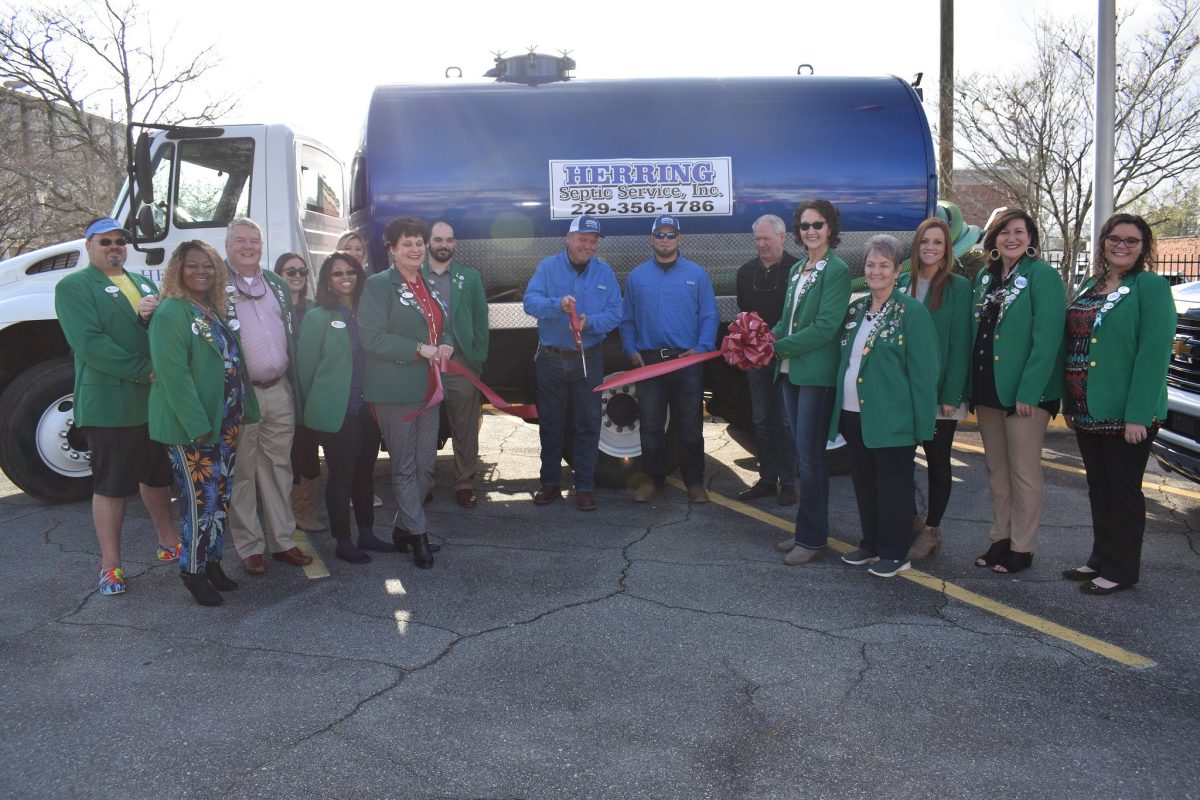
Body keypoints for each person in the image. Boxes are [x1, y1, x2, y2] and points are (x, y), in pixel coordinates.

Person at [53, 217, 181, 596]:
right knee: (111, 486)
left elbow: (152, 333)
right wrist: (146, 371)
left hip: (151, 403)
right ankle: (110, 566)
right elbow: (90, 344)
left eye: (120, 242)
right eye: (105, 241)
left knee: (156, 477)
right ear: (89, 247)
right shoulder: (74, 286)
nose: (114, 247)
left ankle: (169, 543)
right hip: (111, 403)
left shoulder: (143, 283)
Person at [1061, 214, 1174, 595]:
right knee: (1099, 487)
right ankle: (1100, 558)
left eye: (1131, 240)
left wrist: (1138, 415)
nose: (1121, 245)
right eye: (1114, 238)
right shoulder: (1092, 283)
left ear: (1144, 247)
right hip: (1086, 406)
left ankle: (1121, 569)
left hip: (1126, 411)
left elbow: (1154, 354)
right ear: (1104, 242)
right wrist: (1070, 405)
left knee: (1123, 490)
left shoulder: (1151, 287)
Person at [148, 240, 259, 605]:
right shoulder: (170, 313)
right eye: (193, 265)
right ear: (178, 269)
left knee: (219, 499)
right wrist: (198, 425)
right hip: (193, 427)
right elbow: (173, 376)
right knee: (200, 502)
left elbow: (232, 363)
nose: (202, 271)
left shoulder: (209, 308)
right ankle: (192, 571)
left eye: (208, 265)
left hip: (224, 423)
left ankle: (212, 562)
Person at [832, 235, 939, 577]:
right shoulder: (856, 308)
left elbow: (925, 374)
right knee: (864, 481)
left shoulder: (912, 312)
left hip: (893, 417)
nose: (876, 271)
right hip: (853, 414)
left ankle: (896, 551)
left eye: (884, 265)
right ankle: (872, 543)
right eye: (870, 265)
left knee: (894, 485)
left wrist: (923, 426)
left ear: (897, 271)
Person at [970, 209, 1066, 575]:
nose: (1012, 238)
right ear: (993, 238)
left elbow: (1047, 340)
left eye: (1019, 232)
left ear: (1031, 238)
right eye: (1004, 232)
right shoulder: (985, 278)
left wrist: (1030, 390)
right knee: (996, 469)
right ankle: (1000, 538)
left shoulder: (1042, 276)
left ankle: (1022, 547)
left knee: (1024, 472)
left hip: (1026, 393)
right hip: (988, 386)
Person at [224, 218, 313, 575]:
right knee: (243, 472)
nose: (249, 246)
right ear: (228, 245)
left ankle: (283, 540)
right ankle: (250, 547)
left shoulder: (274, 282)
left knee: (279, 468)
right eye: (241, 240)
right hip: (242, 395)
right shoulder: (217, 285)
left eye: (255, 240)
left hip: (279, 390)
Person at [359, 216, 449, 568]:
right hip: (395, 390)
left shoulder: (428, 284)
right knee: (405, 466)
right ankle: (420, 536)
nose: (415, 248)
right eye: (407, 243)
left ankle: (404, 528)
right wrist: (418, 348)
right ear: (392, 250)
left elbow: (444, 327)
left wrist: (446, 346)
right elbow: (372, 337)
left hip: (429, 388)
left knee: (427, 464)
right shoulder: (379, 285)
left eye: (419, 242)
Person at [297, 253, 393, 565]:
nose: (345, 277)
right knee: (341, 475)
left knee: (365, 474)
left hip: (368, 408)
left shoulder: (368, 312)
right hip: (335, 410)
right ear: (328, 280)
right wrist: (308, 415)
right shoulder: (317, 317)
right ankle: (343, 540)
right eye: (337, 273)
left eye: (350, 271)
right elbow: (305, 370)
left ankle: (367, 533)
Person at [522, 215, 623, 511]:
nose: (587, 246)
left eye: (593, 242)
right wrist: (558, 305)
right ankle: (550, 483)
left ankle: (585, 486)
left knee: (589, 423)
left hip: (588, 358)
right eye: (582, 240)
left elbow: (616, 313)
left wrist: (590, 322)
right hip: (551, 358)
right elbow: (530, 302)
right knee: (551, 423)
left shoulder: (604, 273)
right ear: (568, 238)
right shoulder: (548, 267)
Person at [770, 200, 852, 565]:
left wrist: (777, 346)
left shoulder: (837, 270)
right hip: (790, 372)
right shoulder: (799, 268)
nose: (811, 231)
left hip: (815, 375)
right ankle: (806, 530)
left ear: (830, 228)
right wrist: (759, 339)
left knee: (811, 459)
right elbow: (786, 319)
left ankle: (813, 539)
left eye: (818, 225)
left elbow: (825, 327)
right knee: (802, 454)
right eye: (804, 226)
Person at [620, 215, 718, 504]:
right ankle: (652, 479)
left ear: (680, 238)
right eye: (659, 235)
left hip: (686, 362)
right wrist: (630, 350)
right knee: (651, 427)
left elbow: (709, 315)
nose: (665, 239)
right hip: (650, 362)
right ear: (652, 239)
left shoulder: (697, 274)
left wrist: (701, 348)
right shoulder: (637, 277)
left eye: (670, 234)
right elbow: (627, 319)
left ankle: (694, 482)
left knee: (689, 426)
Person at [897, 217, 972, 559]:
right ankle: (911, 520)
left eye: (937, 242)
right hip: (902, 391)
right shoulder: (901, 283)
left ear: (947, 249)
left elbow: (960, 345)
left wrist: (950, 395)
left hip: (939, 393)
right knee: (898, 460)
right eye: (924, 241)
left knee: (938, 461)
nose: (929, 248)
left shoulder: (958, 287)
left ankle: (931, 531)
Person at [424, 220, 489, 508]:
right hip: (424, 364)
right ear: (428, 242)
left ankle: (464, 483)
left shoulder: (470, 277)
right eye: (438, 240)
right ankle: (424, 482)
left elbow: (480, 322)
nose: (443, 245)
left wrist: (476, 361)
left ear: (455, 243)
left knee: (465, 427)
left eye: (449, 240)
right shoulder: (413, 277)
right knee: (425, 427)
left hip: (461, 365)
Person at [736, 214, 799, 506]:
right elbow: (744, 314)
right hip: (757, 361)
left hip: (787, 357)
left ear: (782, 238)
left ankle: (788, 483)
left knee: (785, 422)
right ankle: (765, 479)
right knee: (761, 420)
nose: (761, 244)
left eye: (767, 239)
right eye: (757, 239)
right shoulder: (745, 272)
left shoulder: (797, 270)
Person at [273, 252, 324, 534]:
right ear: (278, 275)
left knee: (308, 451)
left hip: (309, 392)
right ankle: (288, 512)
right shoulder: (271, 308)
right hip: (280, 390)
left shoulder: (315, 309)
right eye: (289, 271)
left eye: (301, 271)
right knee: (286, 455)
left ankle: (305, 510)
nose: (296, 276)